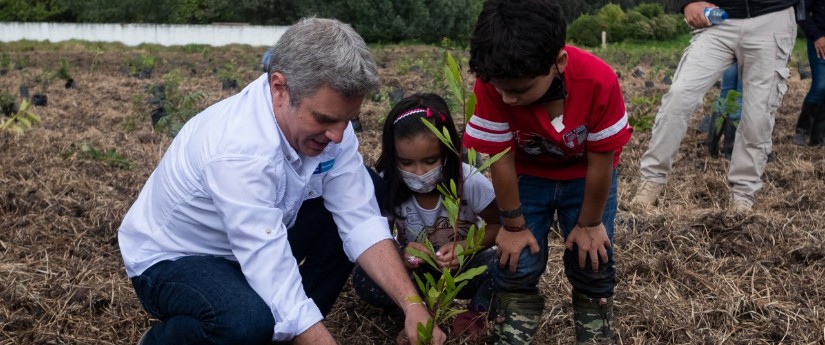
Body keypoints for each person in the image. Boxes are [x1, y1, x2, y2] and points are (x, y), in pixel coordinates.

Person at [118, 17, 446, 345]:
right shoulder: (238, 150)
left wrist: (412, 306)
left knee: (369, 187)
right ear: (279, 88)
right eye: (325, 119)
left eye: (349, 119)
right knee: (247, 321)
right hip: (177, 258)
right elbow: (266, 260)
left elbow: (359, 218)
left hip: (257, 235)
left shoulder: (332, 130)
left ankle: (293, 331)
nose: (338, 135)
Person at [463, 1, 632, 343]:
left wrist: (588, 224)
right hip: (527, 177)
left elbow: (601, 161)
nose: (509, 100)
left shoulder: (598, 81)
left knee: (593, 259)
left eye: (521, 91)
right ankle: (510, 330)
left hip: (586, 177)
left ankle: (595, 332)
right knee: (516, 261)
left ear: (559, 63)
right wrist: (513, 225)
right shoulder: (494, 81)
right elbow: (501, 158)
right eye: (502, 89)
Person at [351, 93, 500, 342]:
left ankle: (475, 313)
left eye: (431, 161)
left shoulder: (469, 181)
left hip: (464, 270)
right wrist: (403, 253)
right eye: (406, 162)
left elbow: (499, 225)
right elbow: (379, 241)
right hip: (416, 276)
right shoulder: (388, 186)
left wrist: (467, 247)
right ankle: (415, 314)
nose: (419, 172)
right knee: (365, 279)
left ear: (449, 151)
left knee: (505, 265)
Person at [631, 0, 799, 212]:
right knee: (679, 95)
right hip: (719, 17)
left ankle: (743, 195)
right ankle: (651, 180)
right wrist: (686, 3)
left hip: (772, 18)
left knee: (758, 114)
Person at [794, 0, 825, 146]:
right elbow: (801, 12)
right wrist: (816, 36)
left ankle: (818, 136)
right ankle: (802, 130)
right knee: (820, 85)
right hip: (820, 41)